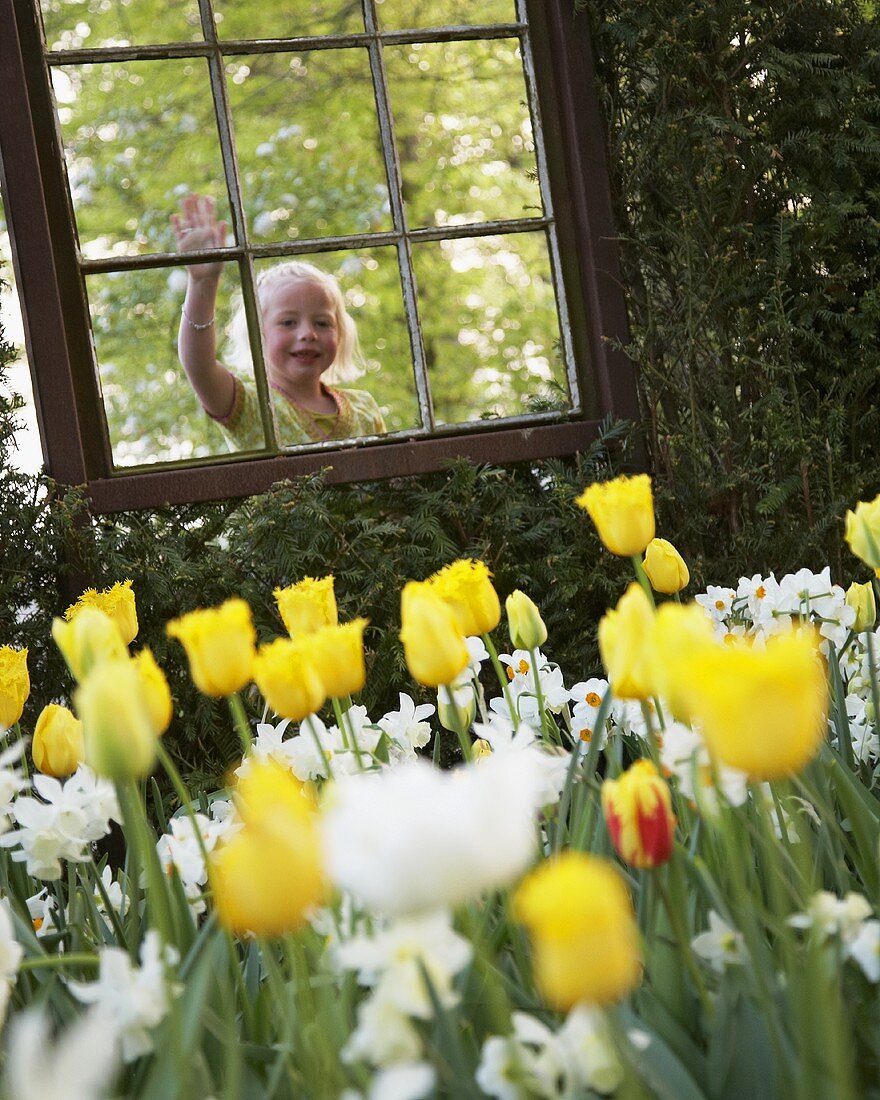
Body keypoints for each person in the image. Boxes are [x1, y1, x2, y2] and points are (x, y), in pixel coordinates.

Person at [171, 193, 386, 451]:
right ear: (257, 333)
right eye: (288, 322)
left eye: (322, 323)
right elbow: (199, 366)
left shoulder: (364, 409)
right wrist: (202, 283)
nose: (308, 334)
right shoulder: (252, 409)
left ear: (341, 333)